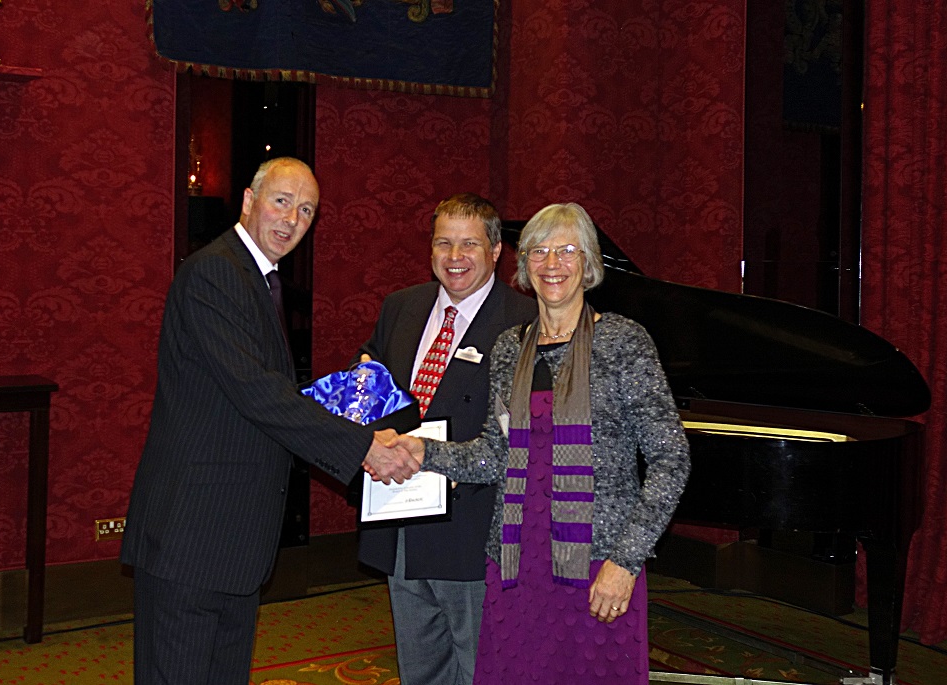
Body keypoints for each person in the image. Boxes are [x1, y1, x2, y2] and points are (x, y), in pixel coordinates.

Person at [120, 157, 420, 685]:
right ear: (248, 201)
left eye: (306, 211)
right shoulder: (216, 272)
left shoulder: (257, 279)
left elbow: (263, 391)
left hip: (232, 541)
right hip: (193, 536)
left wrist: (355, 401)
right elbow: (257, 393)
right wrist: (363, 447)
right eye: (282, 201)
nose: (291, 220)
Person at [392, 202, 691, 684]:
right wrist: (424, 452)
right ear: (524, 264)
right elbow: (494, 455)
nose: (553, 264)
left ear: (589, 263)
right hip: (516, 561)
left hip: (596, 563)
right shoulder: (511, 347)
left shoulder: (622, 342)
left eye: (568, 250)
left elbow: (670, 459)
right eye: (540, 251)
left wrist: (626, 560)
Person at [356, 193, 537, 685]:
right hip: (400, 518)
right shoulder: (401, 307)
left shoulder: (525, 321)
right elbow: (369, 383)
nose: (454, 257)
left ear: (497, 250)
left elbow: (524, 436)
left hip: (473, 528)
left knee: (481, 666)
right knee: (420, 666)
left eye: (469, 245)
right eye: (443, 243)